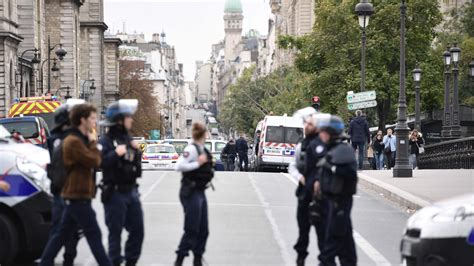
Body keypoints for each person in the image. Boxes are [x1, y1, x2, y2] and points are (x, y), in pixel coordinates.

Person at [40, 103, 111, 266]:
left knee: (60, 235)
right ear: (82, 120)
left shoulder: (78, 138)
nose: (95, 122)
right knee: (94, 234)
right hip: (77, 195)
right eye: (92, 118)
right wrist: (93, 142)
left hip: (76, 195)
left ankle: (46, 262)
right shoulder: (73, 140)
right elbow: (94, 161)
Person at [100, 99, 144, 266]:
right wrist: (116, 153)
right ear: (119, 120)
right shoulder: (107, 140)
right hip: (115, 193)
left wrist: (136, 151)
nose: (131, 120)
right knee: (115, 233)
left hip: (131, 191)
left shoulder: (127, 138)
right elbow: (101, 163)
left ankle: (131, 261)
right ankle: (115, 262)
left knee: (138, 230)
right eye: (128, 117)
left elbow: (135, 165)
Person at [45, 99, 84, 266]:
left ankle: (61, 258)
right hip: (64, 188)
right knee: (62, 228)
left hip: (65, 188)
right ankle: (55, 259)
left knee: (67, 228)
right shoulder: (60, 139)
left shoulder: (64, 138)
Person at [315, 115, 358, 266]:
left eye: (322, 131)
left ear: (330, 133)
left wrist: (332, 168)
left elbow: (350, 174)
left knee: (329, 248)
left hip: (339, 204)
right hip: (330, 205)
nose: (320, 134)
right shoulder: (331, 149)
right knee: (346, 250)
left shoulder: (343, 151)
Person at [288, 108, 328, 266]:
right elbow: (293, 166)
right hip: (304, 194)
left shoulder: (324, 144)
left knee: (322, 232)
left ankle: (324, 260)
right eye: (306, 123)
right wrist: (300, 177)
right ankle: (301, 258)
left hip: (320, 196)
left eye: (310, 124)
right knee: (303, 231)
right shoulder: (302, 146)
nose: (306, 126)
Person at [174, 122, 214, 266]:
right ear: (205, 134)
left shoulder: (203, 149)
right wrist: (197, 163)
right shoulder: (192, 149)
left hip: (200, 192)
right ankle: (179, 259)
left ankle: (197, 258)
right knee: (192, 228)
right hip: (190, 192)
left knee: (203, 229)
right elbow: (178, 166)